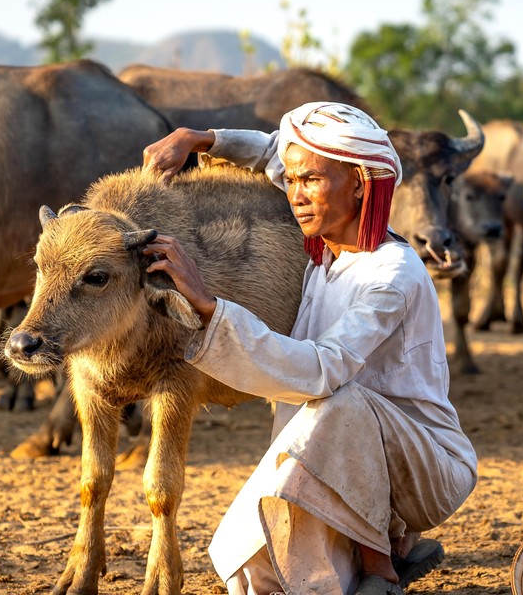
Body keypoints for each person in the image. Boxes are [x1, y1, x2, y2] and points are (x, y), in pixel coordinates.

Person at [140, 102, 478, 595]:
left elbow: (323, 369)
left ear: (360, 184)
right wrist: (201, 138)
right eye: (290, 181)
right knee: (254, 570)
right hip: (345, 461)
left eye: (311, 182)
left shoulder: (391, 276)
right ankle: (383, 542)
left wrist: (210, 305)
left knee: (340, 400)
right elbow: (277, 151)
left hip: (426, 469)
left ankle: (381, 562)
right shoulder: (327, 260)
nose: (294, 195)